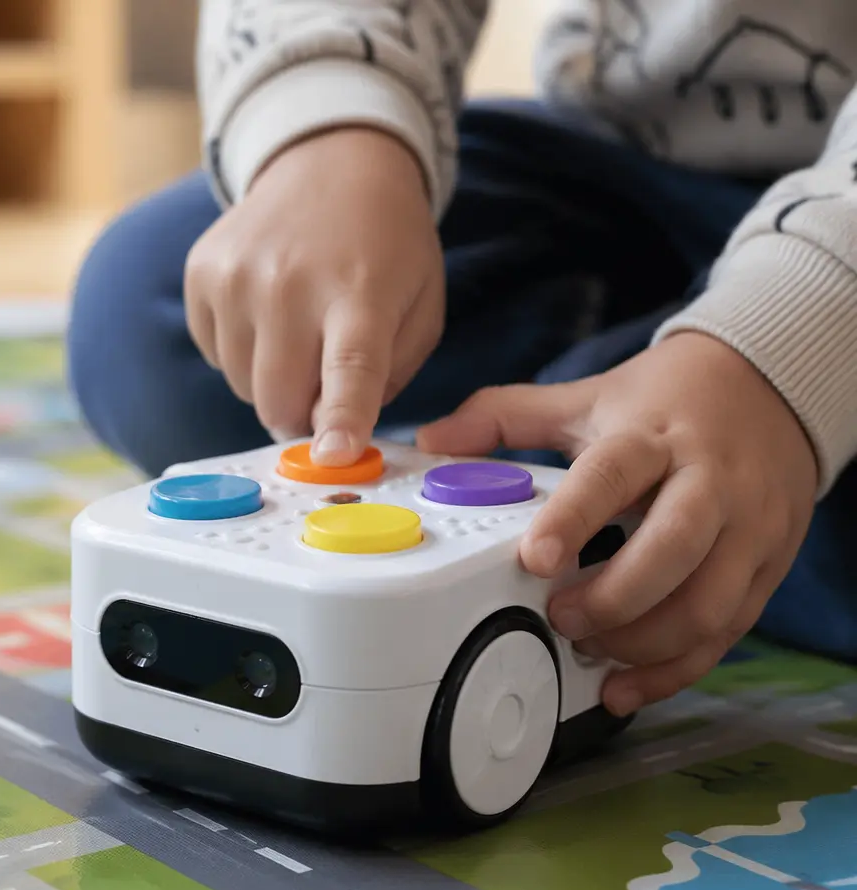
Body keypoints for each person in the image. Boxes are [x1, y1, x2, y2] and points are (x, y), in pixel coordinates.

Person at [67, 1, 857, 718]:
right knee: (145, 307)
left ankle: (661, 450)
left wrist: (776, 357)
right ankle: (609, 422)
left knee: (707, 483)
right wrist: (330, 132)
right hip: (615, 158)